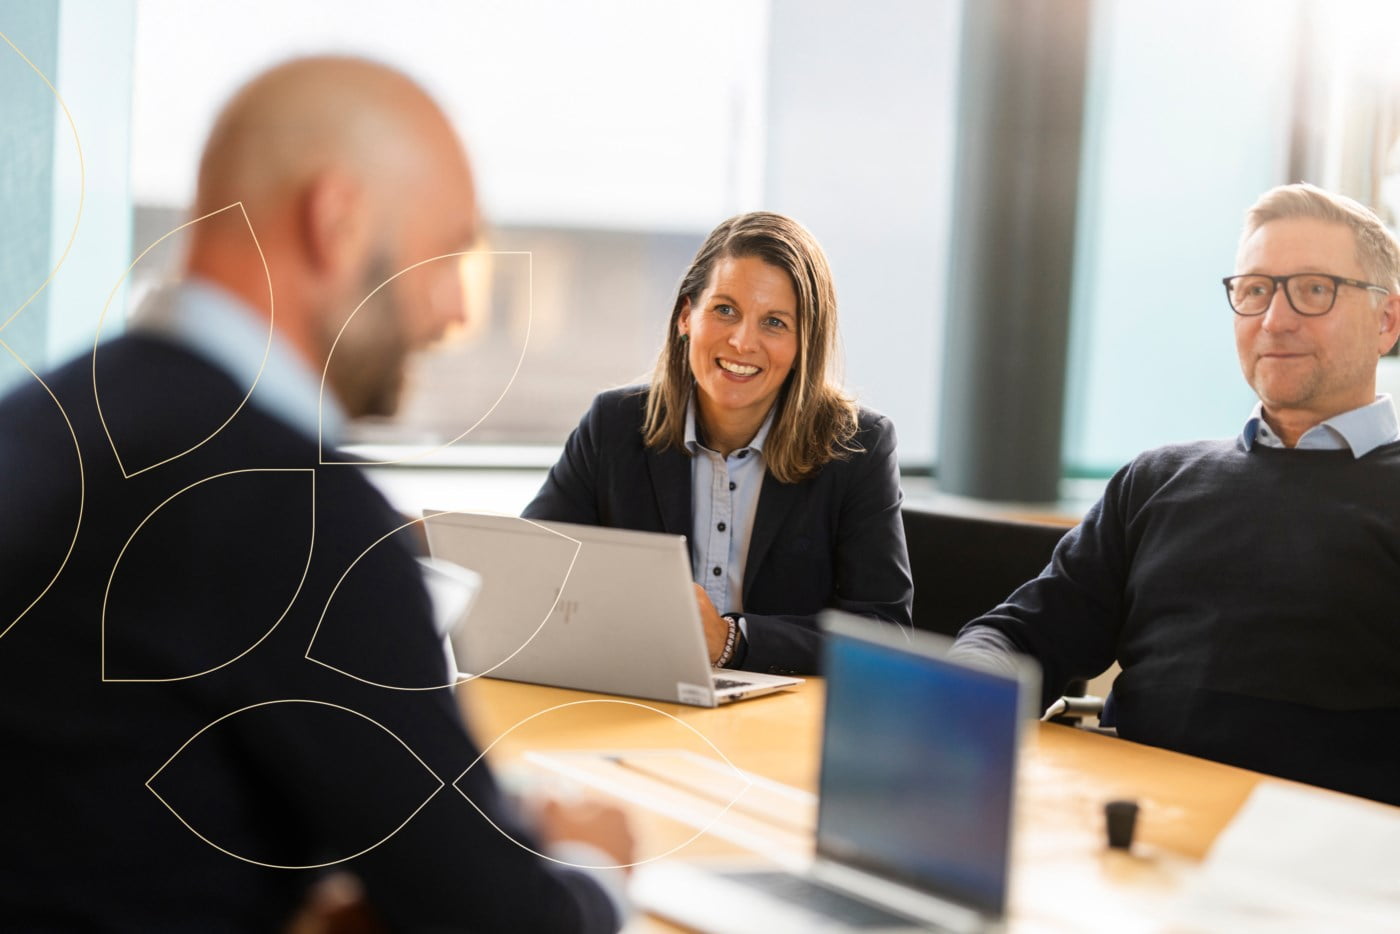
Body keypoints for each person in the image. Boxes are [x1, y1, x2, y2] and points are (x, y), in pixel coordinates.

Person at [0, 56, 632, 930]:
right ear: (334, 223)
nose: (453, 313)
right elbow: (501, 919)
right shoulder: (292, 513)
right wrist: (595, 864)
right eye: (447, 254)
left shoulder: (44, 420)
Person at [954, 182, 1400, 805]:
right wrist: (965, 694)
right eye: (1254, 291)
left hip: (1319, 864)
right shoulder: (1157, 479)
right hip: (1126, 835)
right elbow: (1020, 638)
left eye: (1314, 290)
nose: (1275, 319)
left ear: (1387, 320)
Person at [523, 212, 913, 675]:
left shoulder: (859, 448)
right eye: (724, 310)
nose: (743, 341)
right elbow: (532, 576)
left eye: (774, 322)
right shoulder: (613, 425)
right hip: (633, 696)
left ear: (804, 342)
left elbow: (883, 632)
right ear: (687, 315)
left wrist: (732, 640)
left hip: (778, 722)